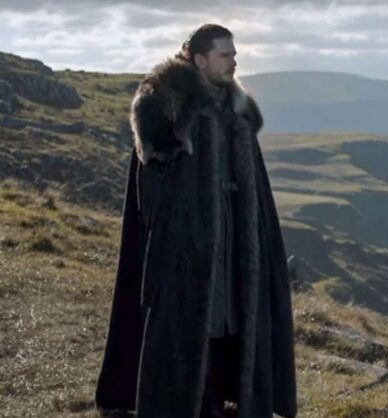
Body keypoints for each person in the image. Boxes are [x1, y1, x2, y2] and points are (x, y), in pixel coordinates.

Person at [93, 24, 297, 418]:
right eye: (225, 55)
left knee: (230, 316)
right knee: (187, 319)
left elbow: (253, 182)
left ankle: (224, 396)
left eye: (235, 55)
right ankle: (186, 401)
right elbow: (153, 183)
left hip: (234, 235)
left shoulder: (236, 108)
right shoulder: (165, 104)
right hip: (184, 242)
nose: (234, 62)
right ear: (201, 59)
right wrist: (178, 230)